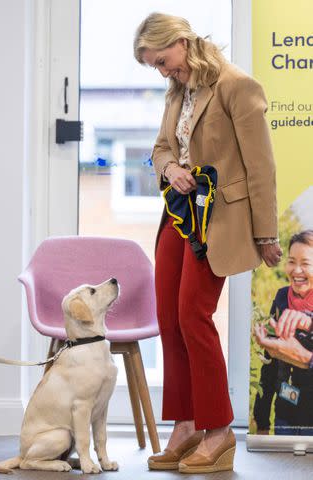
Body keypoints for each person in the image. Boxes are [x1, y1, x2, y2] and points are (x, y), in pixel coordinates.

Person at [133, 12, 282, 474]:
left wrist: (266, 233)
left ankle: (218, 432)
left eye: (163, 61)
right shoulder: (179, 90)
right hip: (178, 218)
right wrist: (169, 169)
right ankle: (186, 424)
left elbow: (261, 167)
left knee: (192, 315)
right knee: (167, 317)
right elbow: (160, 148)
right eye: (155, 67)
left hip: (218, 221)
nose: (163, 72)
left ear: (181, 41)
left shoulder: (238, 86)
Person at [253, 230, 313, 435]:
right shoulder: (281, 298)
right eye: (291, 261)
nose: (296, 270)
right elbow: (268, 365)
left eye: (305, 264)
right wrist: (261, 422)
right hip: (285, 412)